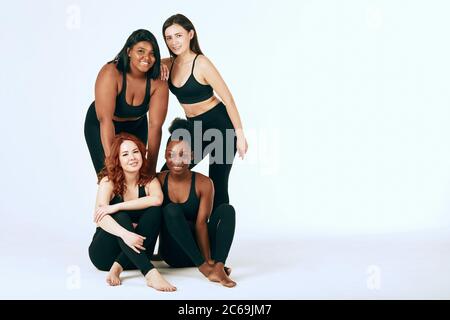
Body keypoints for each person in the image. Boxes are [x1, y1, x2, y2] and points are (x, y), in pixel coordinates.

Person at [160, 14, 248, 210]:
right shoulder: (168, 64)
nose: (174, 42)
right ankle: (181, 225)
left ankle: (218, 234)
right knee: (168, 172)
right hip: (195, 127)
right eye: (169, 37)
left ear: (190, 34)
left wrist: (240, 136)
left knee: (217, 183)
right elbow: (148, 64)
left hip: (221, 127)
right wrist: (156, 64)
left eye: (179, 35)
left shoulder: (201, 63)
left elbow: (229, 99)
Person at [88, 132, 176, 292]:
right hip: (104, 254)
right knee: (120, 217)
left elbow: (157, 200)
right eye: (125, 154)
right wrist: (125, 234)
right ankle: (150, 273)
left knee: (155, 211)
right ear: (118, 160)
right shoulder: (108, 181)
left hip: (137, 254)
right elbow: (100, 218)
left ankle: (118, 267)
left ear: (142, 155)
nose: (132, 157)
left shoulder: (149, 181)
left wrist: (116, 206)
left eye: (136, 152)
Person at [157, 118, 237, 288]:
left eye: (183, 154)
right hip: (173, 254)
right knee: (171, 210)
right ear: (165, 154)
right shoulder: (157, 180)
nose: (177, 160)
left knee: (227, 210)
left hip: (198, 252)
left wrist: (207, 259)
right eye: (171, 154)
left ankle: (218, 266)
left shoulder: (204, 183)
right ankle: (206, 269)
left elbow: (201, 224)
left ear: (192, 155)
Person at [84, 29, 168, 176]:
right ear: (129, 51)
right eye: (140, 51)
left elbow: (155, 127)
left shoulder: (158, 81)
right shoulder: (111, 73)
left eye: (152, 53)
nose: (146, 57)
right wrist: (113, 165)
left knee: (139, 178)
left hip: (137, 126)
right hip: (103, 125)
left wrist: (150, 170)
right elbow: (106, 121)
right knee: (111, 178)